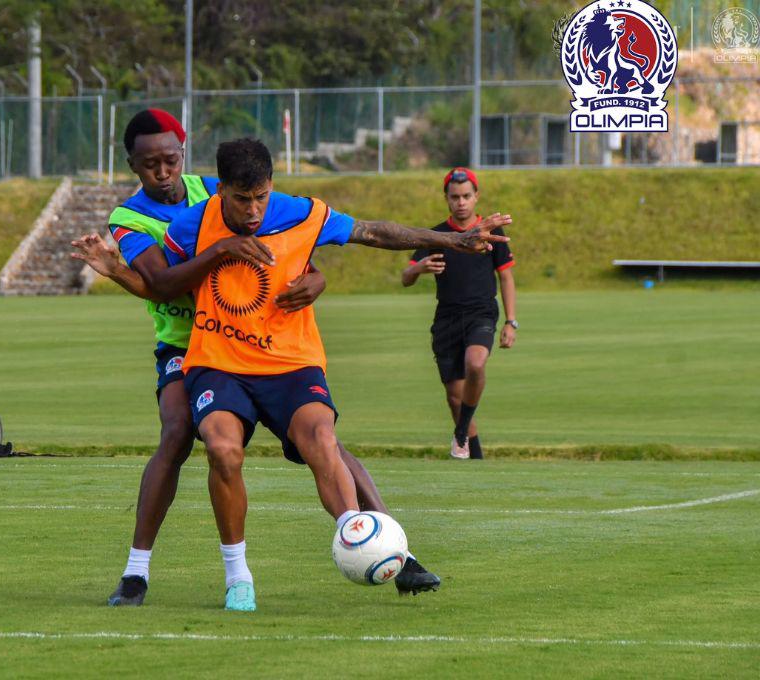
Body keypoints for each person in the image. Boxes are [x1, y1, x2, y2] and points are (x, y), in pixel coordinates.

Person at [85, 138, 507, 611]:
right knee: (222, 450)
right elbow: (163, 284)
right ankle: (237, 577)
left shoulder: (301, 213)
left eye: (261, 196)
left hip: (290, 362)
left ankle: (367, 538)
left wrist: (454, 239)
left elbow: (372, 232)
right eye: (242, 199)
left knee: (323, 439)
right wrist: (118, 271)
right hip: (218, 361)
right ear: (219, 189)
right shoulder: (189, 226)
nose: (253, 210)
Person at [401, 168, 516, 460]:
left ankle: (461, 432)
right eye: (455, 197)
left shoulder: (491, 233)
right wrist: (420, 267)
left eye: (466, 196)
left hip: (481, 313)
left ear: (476, 196)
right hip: (447, 319)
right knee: (454, 397)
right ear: (447, 199)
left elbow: (506, 277)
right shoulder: (436, 235)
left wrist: (510, 322)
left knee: (475, 364)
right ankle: (475, 458)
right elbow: (405, 277)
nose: (461, 202)